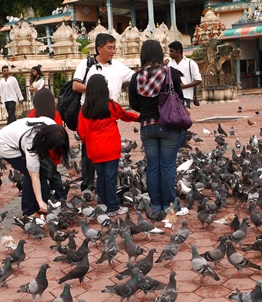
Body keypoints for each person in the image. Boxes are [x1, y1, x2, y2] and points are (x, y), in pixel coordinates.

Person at [72, 33, 135, 192]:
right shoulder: (87, 64)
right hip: (90, 111)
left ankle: (106, 183)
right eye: (109, 48)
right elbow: (76, 85)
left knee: (108, 149)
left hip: (109, 111)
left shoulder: (118, 66)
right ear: (99, 49)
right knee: (88, 150)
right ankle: (88, 183)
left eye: (114, 47)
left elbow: (135, 78)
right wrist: (96, 90)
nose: (113, 51)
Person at [128, 39, 185, 214]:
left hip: (147, 126)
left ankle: (156, 205)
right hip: (168, 125)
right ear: (160, 53)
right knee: (167, 166)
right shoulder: (170, 73)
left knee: (153, 166)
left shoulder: (136, 77)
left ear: (143, 54)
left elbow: (134, 104)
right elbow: (180, 100)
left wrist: (147, 108)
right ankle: (169, 204)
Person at [0, 90, 70, 216]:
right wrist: (40, 202)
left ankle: (45, 205)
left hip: (18, 135)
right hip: (5, 145)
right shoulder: (31, 143)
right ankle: (29, 211)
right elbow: (34, 175)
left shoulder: (51, 124)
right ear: (46, 141)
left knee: (40, 171)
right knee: (30, 174)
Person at [78, 75, 139, 217]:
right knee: (110, 177)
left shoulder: (84, 110)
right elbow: (125, 115)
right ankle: (112, 206)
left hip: (95, 149)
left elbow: (82, 132)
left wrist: (91, 143)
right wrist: (139, 117)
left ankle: (103, 203)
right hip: (111, 148)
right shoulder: (111, 105)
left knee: (100, 176)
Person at [27, 89, 67, 203]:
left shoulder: (32, 114)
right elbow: (59, 131)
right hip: (53, 149)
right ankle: (62, 198)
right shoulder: (55, 114)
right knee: (54, 175)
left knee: (41, 177)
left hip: (40, 151)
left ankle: (45, 200)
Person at [166, 41, 201, 148]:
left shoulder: (191, 63)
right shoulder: (169, 64)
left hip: (185, 96)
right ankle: (174, 145)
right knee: (172, 122)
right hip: (171, 97)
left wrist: (184, 86)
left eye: (172, 51)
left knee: (183, 122)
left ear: (178, 51)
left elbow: (198, 79)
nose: (170, 53)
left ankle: (181, 146)